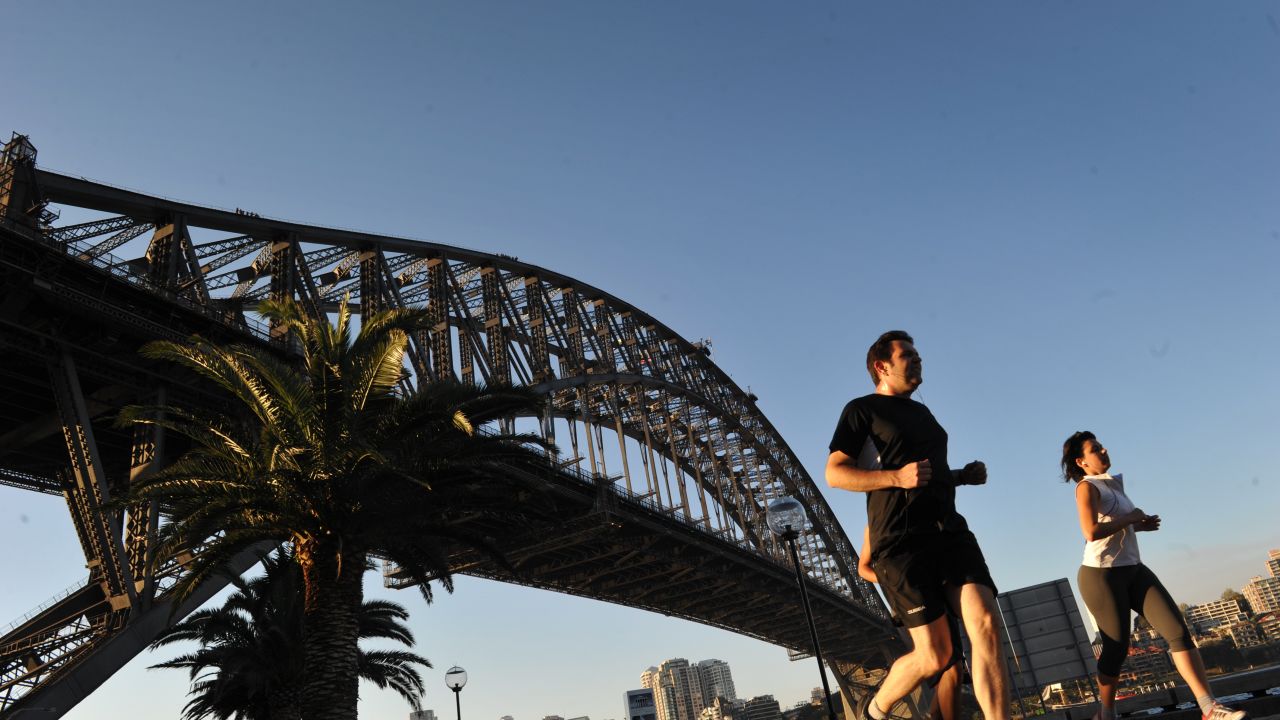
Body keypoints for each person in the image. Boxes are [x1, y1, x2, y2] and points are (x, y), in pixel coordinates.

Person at [826, 330, 1010, 720]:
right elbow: (835, 474)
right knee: (935, 655)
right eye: (907, 354)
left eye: (917, 353)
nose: (917, 359)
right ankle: (873, 711)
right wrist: (896, 478)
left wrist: (962, 476)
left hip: (949, 532)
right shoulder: (861, 410)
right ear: (882, 366)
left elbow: (927, 473)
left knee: (987, 623)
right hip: (900, 542)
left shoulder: (923, 413)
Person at [1062, 431, 1249, 720]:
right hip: (1101, 576)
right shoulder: (1086, 488)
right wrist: (1131, 518)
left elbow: (1113, 526)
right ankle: (1106, 713)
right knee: (1117, 647)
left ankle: (1209, 707)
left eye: (1102, 446)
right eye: (1096, 449)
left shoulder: (1112, 484)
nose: (1104, 450)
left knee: (1177, 630)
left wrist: (1138, 526)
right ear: (1081, 461)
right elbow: (1090, 532)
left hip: (1134, 569)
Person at [859, 526, 965, 720]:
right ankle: (873, 711)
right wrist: (895, 581)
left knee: (954, 669)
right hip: (911, 597)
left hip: (939, 594)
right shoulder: (880, 519)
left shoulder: (926, 509)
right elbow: (862, 568)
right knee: (951, 668)